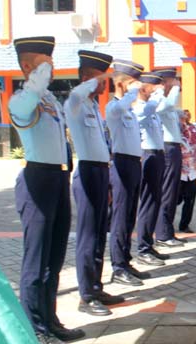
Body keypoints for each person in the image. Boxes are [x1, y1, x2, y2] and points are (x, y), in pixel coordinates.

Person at [9, 36, 83, 344]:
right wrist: (38, 78)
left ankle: (50, 320)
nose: (50, 68)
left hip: (58, 178)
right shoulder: (21, 100)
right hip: (36, 179)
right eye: (43, 63)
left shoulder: (50, 100)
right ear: (26, 66)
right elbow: (28, 101)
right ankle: (34, 329)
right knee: (36, 262)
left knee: (54, 258)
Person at [65, 50, 125, 317]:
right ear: (88, 77)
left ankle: (96, 286)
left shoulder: (93, 107)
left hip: (102, 172)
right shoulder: (76, 103)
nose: (106, 85)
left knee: (100, 234)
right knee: (88, 237)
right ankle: (86, 296)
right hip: (87, 173)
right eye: (102, 79)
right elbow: (76, 94)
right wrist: (94, 79)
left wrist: (110, 182)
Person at [107, 59, 151, 287]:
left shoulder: (129, 110)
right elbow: (119, 107)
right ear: (122, 84)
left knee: (130, 216)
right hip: (121, 164)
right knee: (120, 218)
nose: (139, 88)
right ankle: (117, 266)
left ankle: (125, 260)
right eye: (134, 83)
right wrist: (130, 94)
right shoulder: (114, 108)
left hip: (134, 163)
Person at [134, 72, 171, 266]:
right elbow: (146, 111)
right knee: (148, 202)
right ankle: (142, 248)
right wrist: (158, 94)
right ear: (143, 87)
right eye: (154, 86)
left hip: (157, 155)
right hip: (146, 155)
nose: (158, 89)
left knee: (155, 201)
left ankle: (148, 243)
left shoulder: (152, 110)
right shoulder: (140, 108)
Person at [153, 67, 186, 248]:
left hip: (173, 148)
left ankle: (168, 231)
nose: (176, 83)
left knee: (172, 192)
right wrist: (174, 89)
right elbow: (167, 105)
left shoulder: (167, 100)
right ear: (163, 82)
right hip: (166, 148)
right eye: (172, 80)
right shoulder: (158, 99)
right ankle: (163, 234)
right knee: (166, 192)